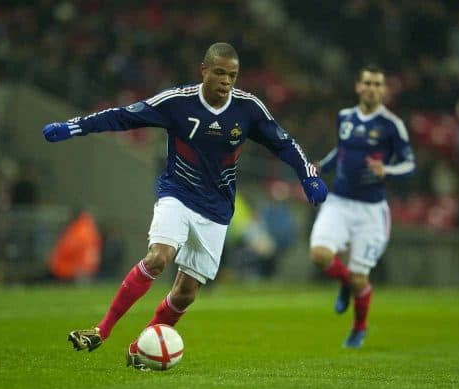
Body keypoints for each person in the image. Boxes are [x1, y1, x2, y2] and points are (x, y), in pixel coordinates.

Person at [42, 43, 328, 369]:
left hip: (217, 209)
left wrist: (308, 176)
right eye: (219, 72)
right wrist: (73, 126)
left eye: (232, 75)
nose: (225, 81)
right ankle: (101, 331)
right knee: (159, 256)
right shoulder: (177, 102)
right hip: (177, 193)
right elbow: (124, 116)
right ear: (204, 69)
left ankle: (142, 347)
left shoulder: (248, 109)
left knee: (185, 294)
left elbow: (284, 143)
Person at [309, 65, 415, 348]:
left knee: (360, 279)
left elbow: (410, 163)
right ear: (358, 87)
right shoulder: (344, 117)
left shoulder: (392, 125)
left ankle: (359, 328)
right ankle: (345, 282)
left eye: (378, 84)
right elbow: (340, 151)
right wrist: (320, 166)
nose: (372, 88)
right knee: (319, 254)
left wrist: (387, 171)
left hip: (371, 211)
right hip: (339, 202)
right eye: (367, 82)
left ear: (384, 90)